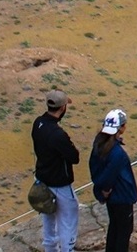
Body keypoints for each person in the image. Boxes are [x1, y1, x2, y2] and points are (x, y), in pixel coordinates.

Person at [32, 90, 80, 252]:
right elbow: (74, 157)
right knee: (68, 222)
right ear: (63, 108)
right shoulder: (58, 134)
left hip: (42, 181)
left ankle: (50, 250)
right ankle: (68, 249)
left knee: (48, 221)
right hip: (60, 184)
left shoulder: (38, 123)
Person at [90, 109, 137, 252]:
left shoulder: (99, 144)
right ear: (121, 128)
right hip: (121, 196)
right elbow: (110, 174)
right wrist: (105, 190)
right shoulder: (117, 153)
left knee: (114, 228)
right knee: (123, 233)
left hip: (112, 198)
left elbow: (96, 169)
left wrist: (100, 190)